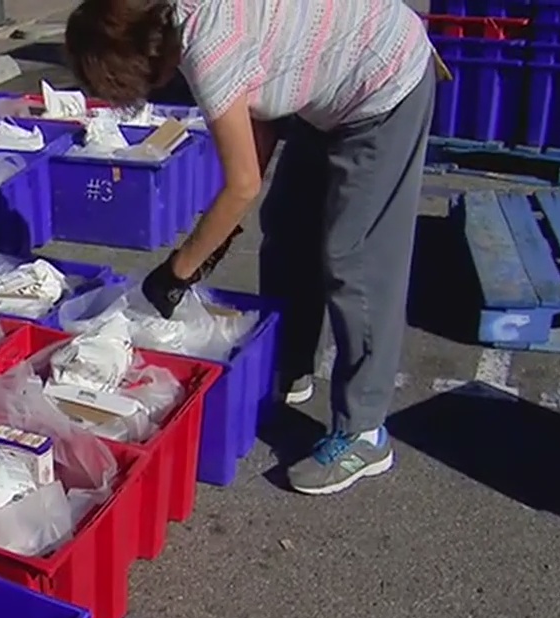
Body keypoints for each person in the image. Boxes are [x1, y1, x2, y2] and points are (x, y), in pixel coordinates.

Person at [64, 0, 436, 495]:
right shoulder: (181, 23)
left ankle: (364, 430)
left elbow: (241, 185)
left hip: (384, 81)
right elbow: (253, 130)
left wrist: (177, 273)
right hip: (327, 82)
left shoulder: (205, 46)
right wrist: (215, 233)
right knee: (287, 222)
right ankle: (289, 364)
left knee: (355, 256)